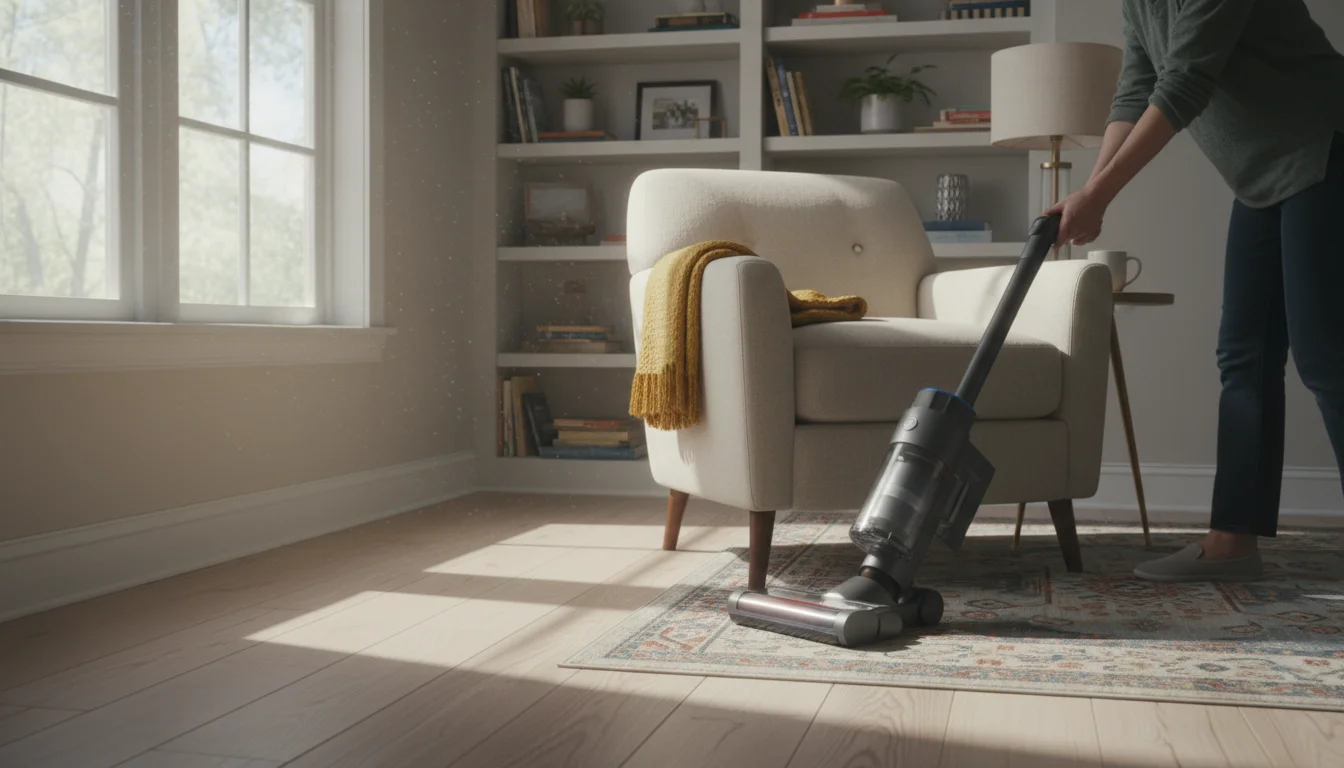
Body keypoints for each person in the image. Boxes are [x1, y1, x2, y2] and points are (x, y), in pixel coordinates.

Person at [1046, 0, 1344, 582]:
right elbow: (1137, 88)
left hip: (1326, 144)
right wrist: (1090, 194)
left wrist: (1101, 196)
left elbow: (1185, 82)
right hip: (1260, 174)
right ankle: (1233, 537)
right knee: (1244, 355)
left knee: (1326, 357)